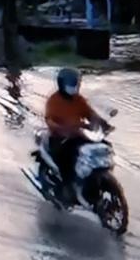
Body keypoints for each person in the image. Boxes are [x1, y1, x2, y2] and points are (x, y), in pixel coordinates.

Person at [43, 68, 111, 206]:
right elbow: (49, 120)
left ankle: (95, 179)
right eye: (71, 83)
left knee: (104, 146)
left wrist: (103, 123)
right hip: (60, 138)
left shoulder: (78, 100)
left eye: (76, 83)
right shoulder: (53, 100)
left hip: (77, 135)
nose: (74, 86)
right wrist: (60, 128)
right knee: (67, 158)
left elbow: (90, 114)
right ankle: (67, 186)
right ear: (61, 84)